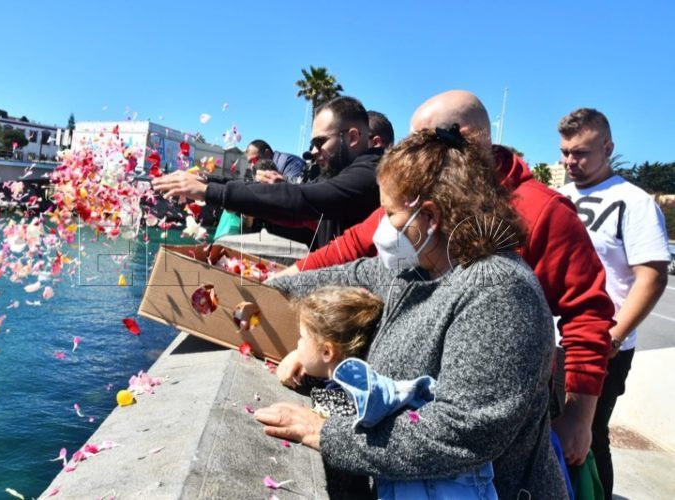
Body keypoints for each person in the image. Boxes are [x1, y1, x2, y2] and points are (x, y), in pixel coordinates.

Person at [277, 90, 616, 468]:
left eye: (425, 141)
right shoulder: (422, 240)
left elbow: (464, 429)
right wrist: (271, 286)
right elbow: (353, 259)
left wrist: (579, 416)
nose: (385, 227)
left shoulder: (505, 278)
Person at [257, 128, 567, 498]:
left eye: (390, 213)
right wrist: (256, 290)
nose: (383, 228)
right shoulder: (415, 267)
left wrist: (321, 432)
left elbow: (460, 432)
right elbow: (347, 275)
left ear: (430, 216)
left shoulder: (501, 293)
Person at [557, 108, 670, 500]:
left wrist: (616, 335)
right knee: (550, 434)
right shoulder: (560, 198)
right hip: (555, 340)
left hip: (604, 344)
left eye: (582, 153)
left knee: (588, 437)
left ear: (608, 147)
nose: (571, 161)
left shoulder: (633, 202)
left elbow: (652, 277)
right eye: (565, 152)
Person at [293, 285, 498, 499]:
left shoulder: (363, 396)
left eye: (301, 337)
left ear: (327, 351)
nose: (296, 345)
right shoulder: (370, 384)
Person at [152, 96, 383, 249]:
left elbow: (302, 199)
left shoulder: (371, 172)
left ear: (353, 137)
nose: (313, 151)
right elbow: (294, 194)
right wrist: (209, 179)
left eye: (320, 142)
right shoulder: (342, 174)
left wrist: (209, 192)